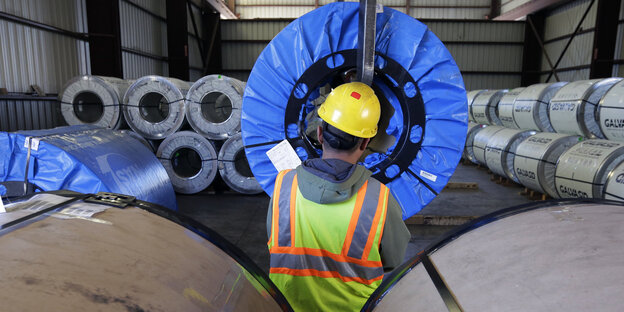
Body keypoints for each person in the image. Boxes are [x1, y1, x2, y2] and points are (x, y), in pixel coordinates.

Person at [267, 82, 410, 311]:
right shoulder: (380, 200)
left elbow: (275, 243)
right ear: (365, 143)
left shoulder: (284, 185)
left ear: (321, 133)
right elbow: (392, 261)